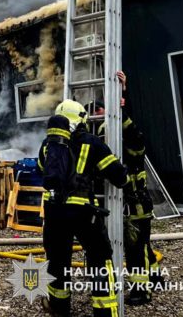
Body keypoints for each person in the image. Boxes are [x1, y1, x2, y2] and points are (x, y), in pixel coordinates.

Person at [39, 99, 128, 317]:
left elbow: (43, 169)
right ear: (81, 119)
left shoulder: (48, 144)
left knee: (57, 261)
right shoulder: (92, 142)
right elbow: (118, 176)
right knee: (100, 259)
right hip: (84, 212)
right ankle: (105, 311)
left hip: (54, 211)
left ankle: (59, 308)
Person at [86, 71, 160, 306]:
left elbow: (129, 129)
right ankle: (155, 277)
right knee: (141, 245)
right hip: (120, 203)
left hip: (135, 204)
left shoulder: (132, 145)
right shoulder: (103, 146)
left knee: (136, 248)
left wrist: (122, 101)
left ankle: (141, 291)